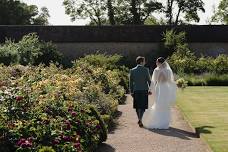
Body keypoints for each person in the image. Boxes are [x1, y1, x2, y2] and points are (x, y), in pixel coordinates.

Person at [142, 57, 177, 129]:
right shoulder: (168, 70)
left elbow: (153, 81)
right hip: (165, 88)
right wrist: (177, 84)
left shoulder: (156, 70)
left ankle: (158, 121)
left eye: (157, 62)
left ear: (160, 63)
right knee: (164, 104)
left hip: (159, 88)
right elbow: (170, 81)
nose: (156, 63)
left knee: (159, 103)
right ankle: (164, 122)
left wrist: (150, 89)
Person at [129, 56, 152, 127]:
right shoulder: (146, 69)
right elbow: (149, 81)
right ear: (141, 62)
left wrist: (131, 91)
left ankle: (139, 119)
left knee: (137, 106)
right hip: (144, 90)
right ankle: (140, 119)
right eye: (144, 61)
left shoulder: (132, 70)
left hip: (136, 90)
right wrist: (150, 90)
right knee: (143, 106)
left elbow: (130, 82)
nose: (145, 62)